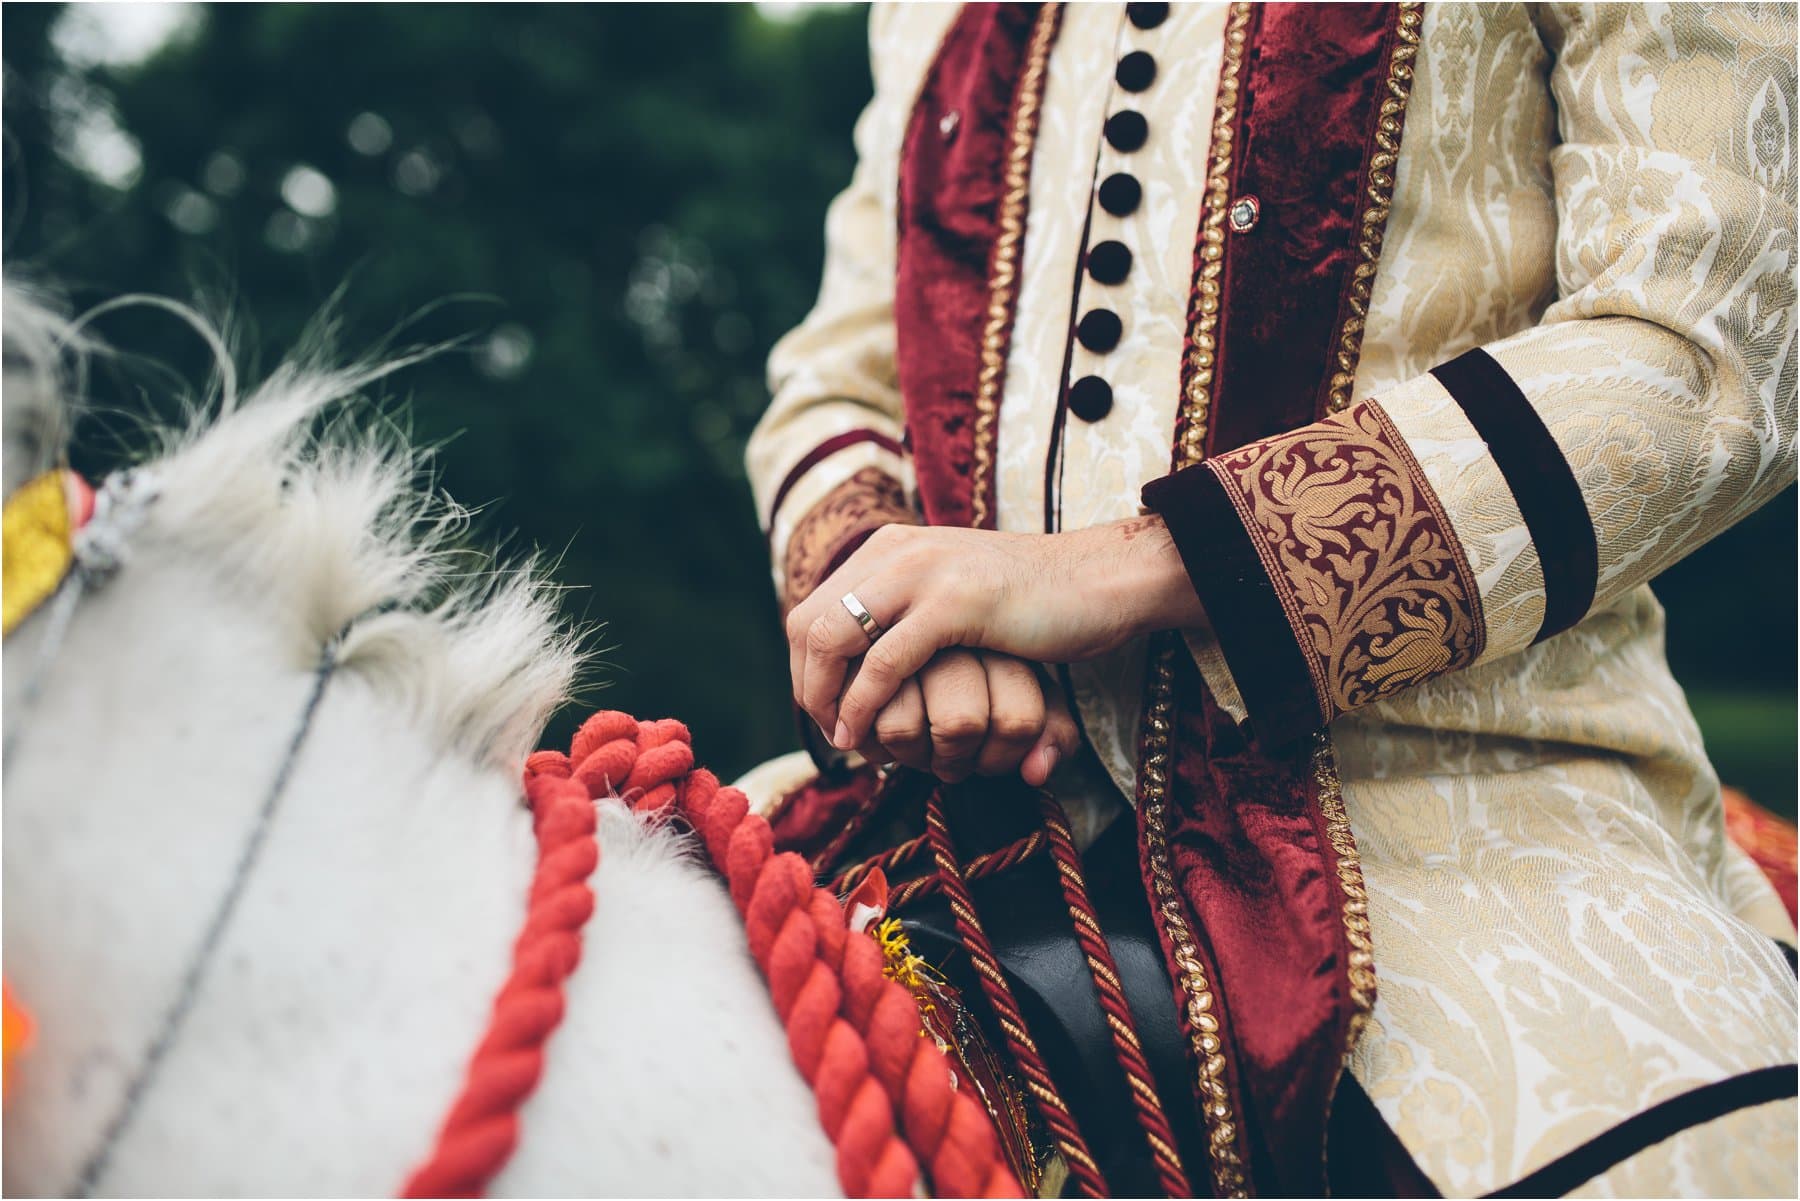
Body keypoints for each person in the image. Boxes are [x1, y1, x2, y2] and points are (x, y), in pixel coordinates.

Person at [742, 3, 1798, 1195]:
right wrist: (895, 611)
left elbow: (1711, 346)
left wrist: (1106, 571)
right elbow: (835, 370)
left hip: (1471, 820)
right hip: (953, 810)